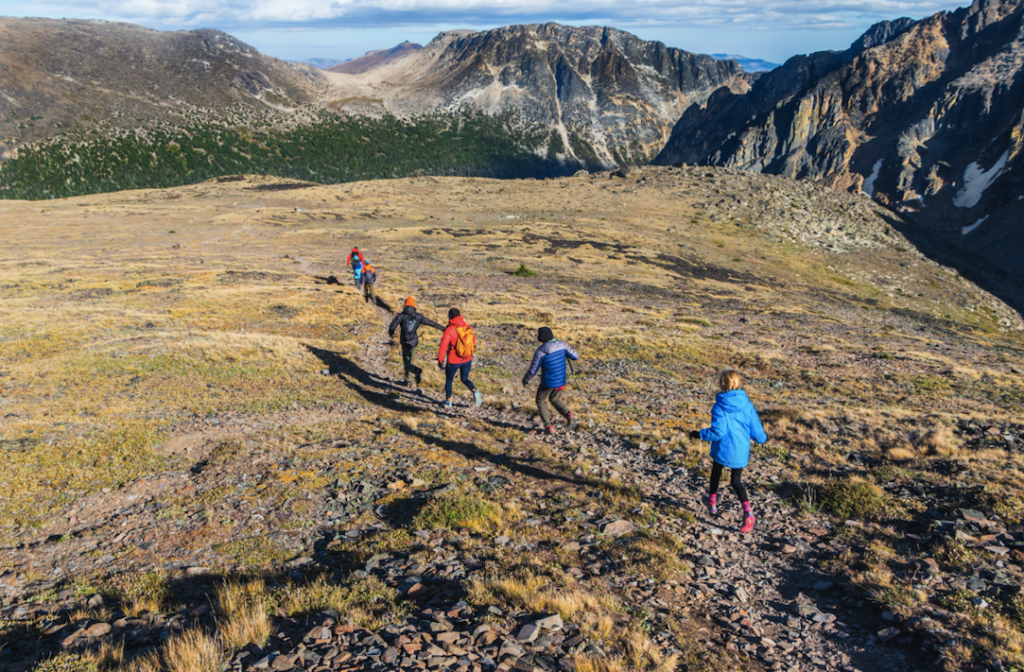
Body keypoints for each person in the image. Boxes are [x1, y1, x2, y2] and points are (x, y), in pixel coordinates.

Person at [689, 369, 767, 534]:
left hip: (723, 448)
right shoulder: (747, 405)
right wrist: (762, 438)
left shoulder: (719, 405)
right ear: (739, 382)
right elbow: (757, 431)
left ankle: (712, 502)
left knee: (716, 473)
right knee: (736, 481)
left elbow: (718, 432)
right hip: (741, 450)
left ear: (721, 383)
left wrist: (699, 434)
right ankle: (748, 512)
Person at [522, 326, 579, 434]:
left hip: (548, 382)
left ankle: (549, 427)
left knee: (540, 400)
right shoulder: (562, 345)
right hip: (561, 381)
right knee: (554, 399)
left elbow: (533, 370)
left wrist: (526, 379)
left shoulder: (540, 351)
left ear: (541, 338)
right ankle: (569, 415)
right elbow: (575, 356)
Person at [388, 297, 443, 388]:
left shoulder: (401, 315)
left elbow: (392, 326)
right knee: (411, 359)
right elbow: (431, 323)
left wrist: (391, 333)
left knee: (406, 362)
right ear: (414, 306)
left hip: (404, 341)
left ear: (405, 305)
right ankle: (408, 379)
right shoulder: (418, 316)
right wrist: (443, 328)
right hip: (414, 342)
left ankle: (409, 378)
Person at [437, 308, 482, 409]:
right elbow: (473, 341)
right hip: (467, 359)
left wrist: (440, 359)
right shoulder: (467, 327)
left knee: (449, 379)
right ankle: (475, 392)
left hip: (454, 360)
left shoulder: (450, 329)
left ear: (450, 316)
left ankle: (448, 402)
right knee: (464, 378)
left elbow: (443, 345)